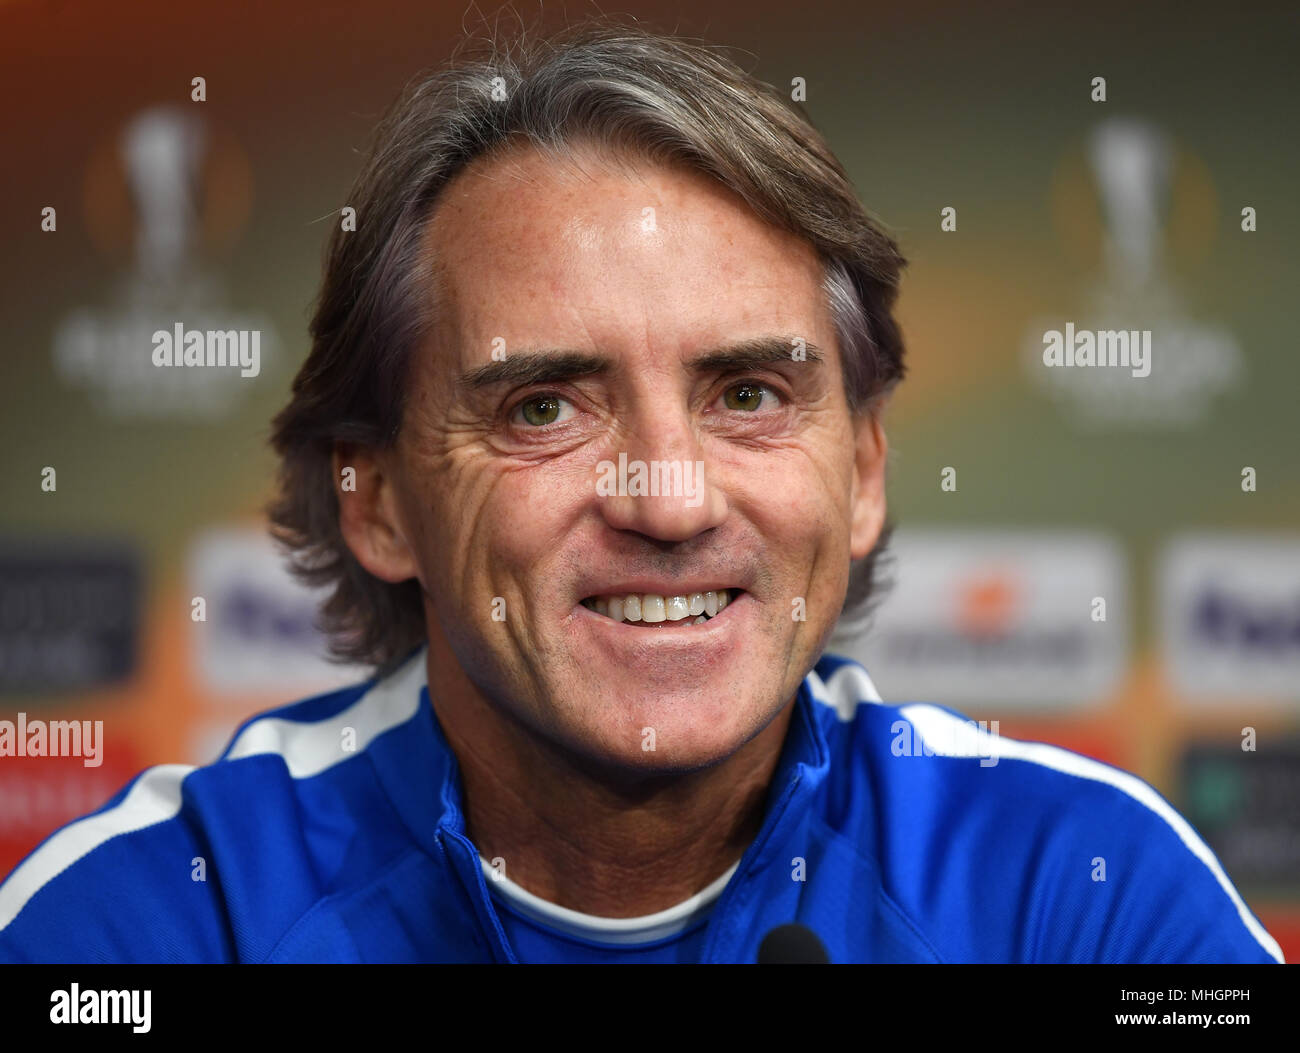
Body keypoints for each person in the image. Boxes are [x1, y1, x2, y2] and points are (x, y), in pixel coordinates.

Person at [0, 18, 1282, 964]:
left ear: (865, 472)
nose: (669, 502)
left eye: (747, 397)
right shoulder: (150, 923)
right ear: (377, 498)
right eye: (544, 407)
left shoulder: (1082, 896)